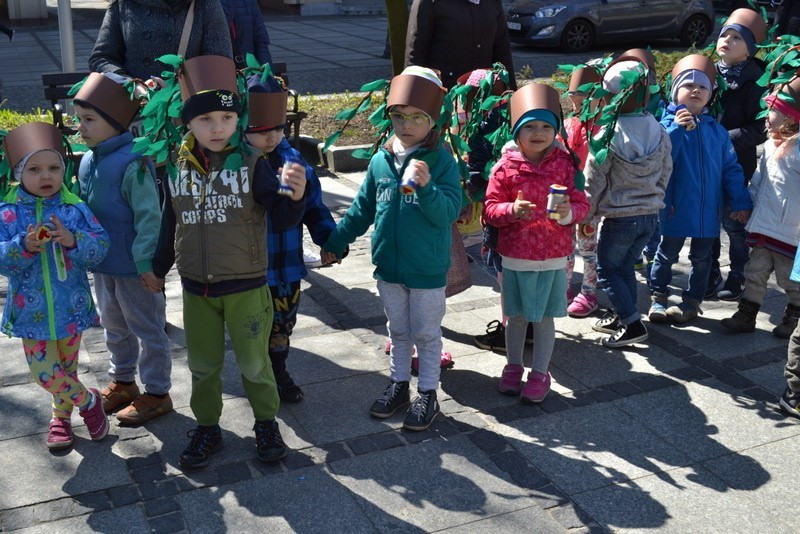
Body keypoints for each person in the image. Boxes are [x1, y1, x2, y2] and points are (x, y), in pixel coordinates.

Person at [148, 55, 307, 469]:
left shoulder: (255, 164)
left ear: (238, 120)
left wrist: (296, 194)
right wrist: (157, 266)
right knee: (202, 366)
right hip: (196, 287)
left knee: (255, 364)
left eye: (226, 117)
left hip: (246, 286)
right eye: (205, 120)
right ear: (188, 124)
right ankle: (207, 427)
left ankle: (266, 423)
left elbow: (284, 216)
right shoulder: (175, 167)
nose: (216, 127)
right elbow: (171, 219)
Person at [322, 66, 462, 431]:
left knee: (427, 334)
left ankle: (428, 393)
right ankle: (399, 385)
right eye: (399, 117)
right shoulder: (381, 160)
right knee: (397, 331)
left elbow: (447, 213)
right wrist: (337, 241)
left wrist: (426, 187)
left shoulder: (442, 161)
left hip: (427, 270)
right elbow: (362, 208)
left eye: (417, 118)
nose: (406, 125)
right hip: (389, 266)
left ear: (432, 121)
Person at [0, 122, 110, 450]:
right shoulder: (8, 213)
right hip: (30, 311)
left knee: (66, 367)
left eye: (53, 168)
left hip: (71, 306)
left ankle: (61, 417)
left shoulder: (73, 209)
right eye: (34, 169)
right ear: (18, 174)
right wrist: (24, 245)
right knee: (44, 374)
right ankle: (88, 401)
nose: (45, 176)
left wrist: (73, 240)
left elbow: (100, 246)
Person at [74, 72, 173, 425]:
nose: (80, 127)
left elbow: (150, 217)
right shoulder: (87, 160)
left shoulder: (134, 161)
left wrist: (148, 262)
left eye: (89, 119)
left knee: (148, 328)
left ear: (116, 122)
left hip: (135, 268)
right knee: (114, 327)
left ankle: (158, 392)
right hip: (104, 264)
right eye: (78, 119)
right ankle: (124, 381)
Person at [483, 83, 589, 403]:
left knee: (543, 318)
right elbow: (489, 209)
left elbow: (582, 203)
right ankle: (513, 366)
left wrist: (571, 213)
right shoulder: (505, 168)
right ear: (517, 132)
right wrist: (511, 211)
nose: (539, 132)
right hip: (516, 255)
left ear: (556, 131)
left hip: (554, 256)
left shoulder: (566, 164)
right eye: (529, 126)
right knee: (515, 316)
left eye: (546, 126)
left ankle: (540, 372)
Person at [244, 72, 338, 403]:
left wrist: (329, 238)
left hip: (285, 267)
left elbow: (314, 206)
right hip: (245, 270)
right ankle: (257, 375)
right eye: (260, 130)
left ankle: (279, 371)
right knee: (252, 331)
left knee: (281, 326)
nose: (270, 137)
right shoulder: (235, 163)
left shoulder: (294, 161)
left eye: (277, 128)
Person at [648, 55, 752, 324]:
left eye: (702, 87)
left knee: (702, 258)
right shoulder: (664, 126)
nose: (695, 90)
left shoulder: (717, 132)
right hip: (675, 208)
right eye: (688, 85)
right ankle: (658, 297)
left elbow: (731, 169)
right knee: (666, 253)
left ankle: (692, 301)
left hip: (708, 211)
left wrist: (739, 201)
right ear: (675, 91)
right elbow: (662, 159)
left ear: (710, 96)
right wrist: (679, 130)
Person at [583, 58, 672, 348]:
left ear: (611, 97)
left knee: (608, 270)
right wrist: (656, 195)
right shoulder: (657, 128)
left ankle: (632, 324)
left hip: (620, 217)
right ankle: (625, 314)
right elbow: (666, 169)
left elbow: (594, 179)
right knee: (624, 268)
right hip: (650, 217)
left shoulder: (608, 134)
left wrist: (588, 212)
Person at [720, 76, 800, 338]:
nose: (767, 115)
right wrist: (748, 204)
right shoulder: (768, 145)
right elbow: (759, 179)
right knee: (754, 271)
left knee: (790, 279)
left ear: (790, 117)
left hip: (790, 230)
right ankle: (747, 313)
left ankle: (794, 317)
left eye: (774, 110)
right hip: (764, 224)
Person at [708, 8, 769, 301]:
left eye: (736, 38)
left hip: (736, 164)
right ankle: (708, 272)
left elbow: (762, 126)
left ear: (749, 51)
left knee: (734, 224)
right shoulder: (707, 72)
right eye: (724, 35)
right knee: (706, 219)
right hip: (705, 162)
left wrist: (726, 140)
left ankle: (738, 275)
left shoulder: (755, 80)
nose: (727, 41)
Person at [89, 0, 233, 80]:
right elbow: (101, 58)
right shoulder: (124, 4)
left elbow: (220, 64)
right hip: (132, 111)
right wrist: (130, 84)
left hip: (187, 113)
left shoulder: (205, 4)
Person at [562, 64, 603, 319]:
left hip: (590, 198)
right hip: (566, 198)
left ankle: (589, 291)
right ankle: (564, 286)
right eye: (574, 103)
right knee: (565, 246)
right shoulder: (568, 124)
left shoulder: (603, 128)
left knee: (588, 247)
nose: (578, 108)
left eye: (583, 102)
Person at [405, 0, 516, 90]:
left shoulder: (493, 3)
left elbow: (502, 51)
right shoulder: (429, 2)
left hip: (482, 99)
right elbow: (415, 54)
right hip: (443, 99)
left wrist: (511, 93)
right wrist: (410, 98)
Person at [220, 0, 272, 69]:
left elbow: (261, 43)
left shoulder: (249, 2)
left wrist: (267, 75)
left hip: (247, 72)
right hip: (218, 71)